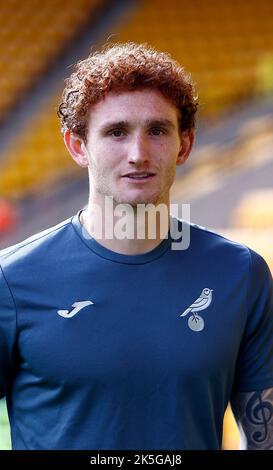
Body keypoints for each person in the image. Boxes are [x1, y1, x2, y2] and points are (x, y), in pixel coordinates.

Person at [0, 42, 272, 451]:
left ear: (185, 144)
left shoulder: (240, 273)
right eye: (116, 132)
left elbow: (264, 435)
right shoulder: (12, 279)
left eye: (157, 130)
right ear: (78, 146)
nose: (138, 154)